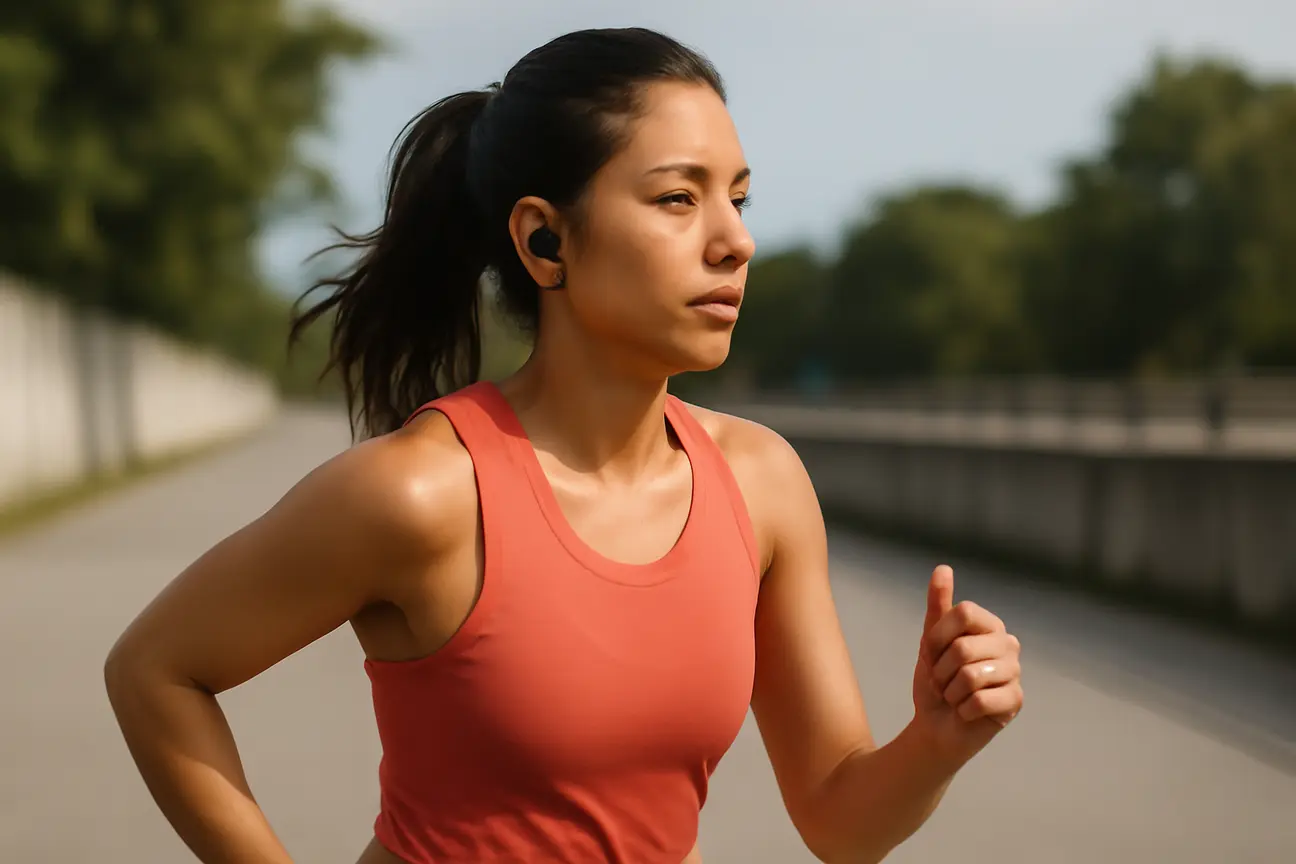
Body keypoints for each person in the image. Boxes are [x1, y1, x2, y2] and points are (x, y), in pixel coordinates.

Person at [103, 26, 1023, 864]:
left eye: (738, 199)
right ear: (546, 241)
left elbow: (839, 820)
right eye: (677, 198)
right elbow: (155, 671)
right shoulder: (423, 493)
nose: (735, 241)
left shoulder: (762, 483)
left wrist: (935, 742)